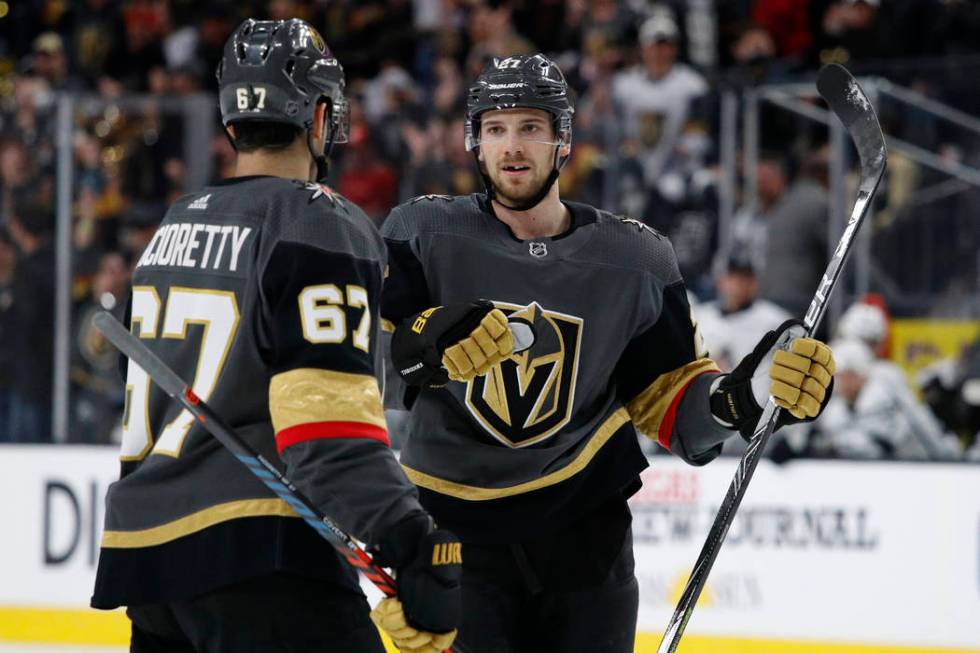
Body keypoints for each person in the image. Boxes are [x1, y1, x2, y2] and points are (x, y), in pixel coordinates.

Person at [380, 54, 837, 653]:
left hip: (585, 537)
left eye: (530, 127)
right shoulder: (420, 233)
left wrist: (752, 393)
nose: (512, 147)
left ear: (562, 139)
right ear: (474, 140)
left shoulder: (636, 259)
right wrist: (423, 341)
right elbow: (373, 364)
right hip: (456, 533)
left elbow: (676, 411)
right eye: (495, 129)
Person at [91, 19, 460, 653]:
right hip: (260, 555)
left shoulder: (171, 228)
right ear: (320, 117)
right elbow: (327, 433)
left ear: (232, 121)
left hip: (149, 566)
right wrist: (412, 540)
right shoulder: (316, 221)